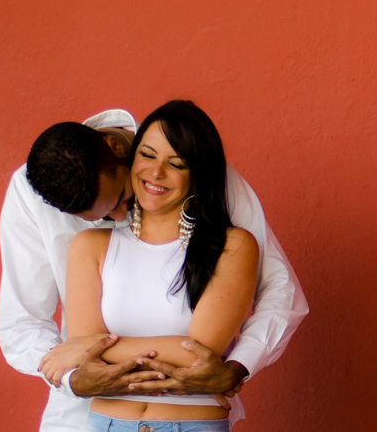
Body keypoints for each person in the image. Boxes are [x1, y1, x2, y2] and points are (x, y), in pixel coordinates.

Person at [0, 107, 308, 431]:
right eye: (97, 217)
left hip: (189, 414)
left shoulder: (198, 165)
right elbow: (21, 323)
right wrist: (76, 377)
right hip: (82, 417)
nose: (119, 218)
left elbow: (278, 288)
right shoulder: (34, 195)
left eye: (120, 198)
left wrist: (238, 365)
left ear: (118, 151)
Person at [67, 100, 257, 431]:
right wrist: (87, 349)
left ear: (199, 174)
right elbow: (85, 356)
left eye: (177, 164)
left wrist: (99, 348)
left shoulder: (232, 246)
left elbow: (198, 354)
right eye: (148, 155)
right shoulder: (90, 246)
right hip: (107, 424)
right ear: (131, 156)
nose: (156, 173)